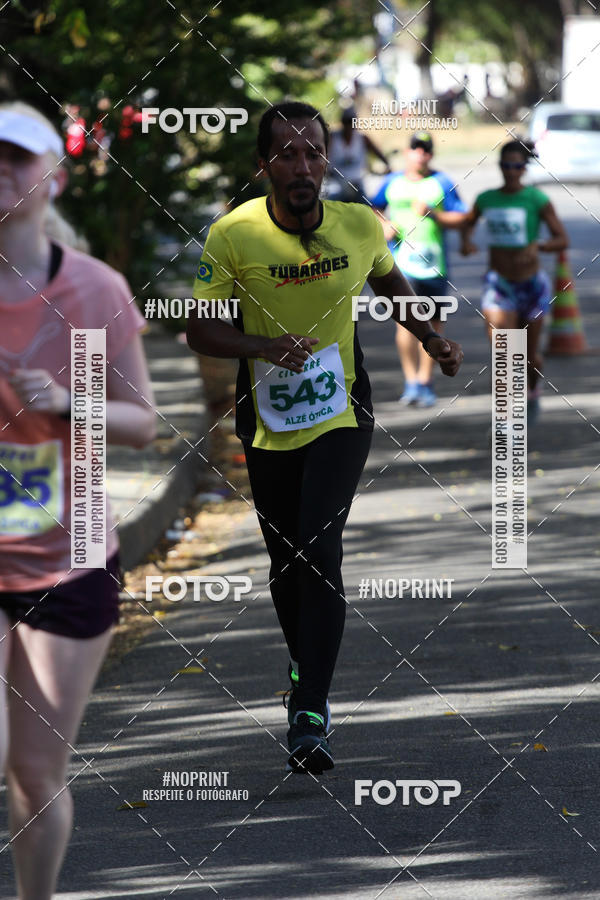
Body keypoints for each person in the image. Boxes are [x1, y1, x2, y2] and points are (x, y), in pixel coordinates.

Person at [187, 101, 463, 775]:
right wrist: (261, 347)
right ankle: (303, 666)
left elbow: (392, 286)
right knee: (285, 560)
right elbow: (200, 329)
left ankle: (310, 708)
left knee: (318, 546)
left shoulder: (358, 223)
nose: (303, 165)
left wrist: (431, 336)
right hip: (267, 415)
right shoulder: (233, 234)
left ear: (326, 161)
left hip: (342, 409)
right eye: (287, 154)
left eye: (313, 152)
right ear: (264, 167)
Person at [0, 102, 156, 899]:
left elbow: (142, 425)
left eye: (17, 158)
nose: (0, 170)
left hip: (69, 557)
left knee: (34, 774)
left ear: (51, 178)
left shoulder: (93, 291)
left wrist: (66, 402)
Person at [460, 138, 569, 421]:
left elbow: (562, 239)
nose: (510, 171)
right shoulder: (486, 199)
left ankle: (532, 390)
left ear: (525, 167)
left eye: (516, 166)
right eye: (506, 166)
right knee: (504, 353)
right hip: (499, 285)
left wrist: (539, 245)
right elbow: (467, 223)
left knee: (529, 358)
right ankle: (506, 418)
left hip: (532, 285)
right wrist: (466, 242)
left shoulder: (536, 199)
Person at [371, 131, 466, 407]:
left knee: (434, 325)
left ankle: (425, 381)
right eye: (415, 148)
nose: (420, 154)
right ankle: (411, 381)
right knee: (406, 323)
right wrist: (384, 224)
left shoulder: (442, 182)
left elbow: (461, 217)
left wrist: (434, 214)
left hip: (435, 266)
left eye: (425, 149)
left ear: (431, 154)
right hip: (402, 266)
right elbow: (372, 209)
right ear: (406, 152)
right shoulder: (392, 182)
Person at [325, 106, 391, 202]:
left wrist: (388, 165)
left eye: (352, 122)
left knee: (367, 204)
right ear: (342, 122)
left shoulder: (362, 138)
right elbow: (322, 156)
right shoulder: (333, 138)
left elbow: (378, 153)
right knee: (330, 201)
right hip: (337, 182)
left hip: (358, 182)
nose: (350, 125)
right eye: (347, 121)